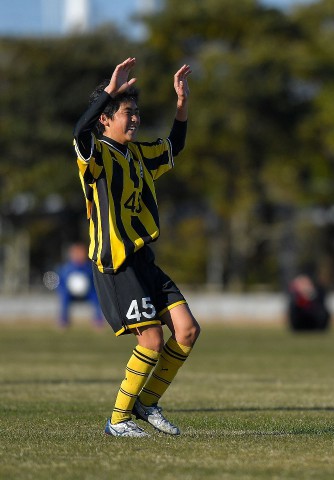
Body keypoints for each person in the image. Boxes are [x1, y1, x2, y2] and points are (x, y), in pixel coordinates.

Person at [73, 57, 200, 437]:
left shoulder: (139, 154)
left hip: (144, 259)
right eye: (127, 112)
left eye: (136, 112)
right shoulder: (95, 157)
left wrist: (181, 103)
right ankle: (118, 419)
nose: (134, 119)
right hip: (116, 263)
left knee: (187, 330)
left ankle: (147, 403)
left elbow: (175, 145)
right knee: (152, 338)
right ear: (105, 119)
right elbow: (78, 130)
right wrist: (111, 91)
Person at [56, 242, 103, 329]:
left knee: (96, 296)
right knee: (64, 296)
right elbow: (61, 284)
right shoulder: (66, 268)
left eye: (81, 253)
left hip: (87, 293)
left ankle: (98, 320)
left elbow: (95, 282)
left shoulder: (89, 267)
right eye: (76, 253)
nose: (79, 255)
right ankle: (63, 320)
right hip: (71, 294)